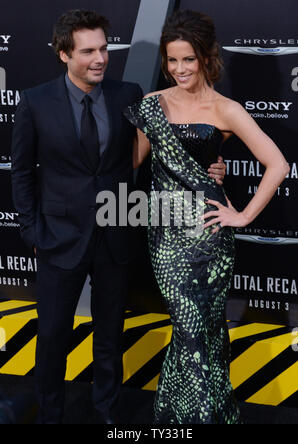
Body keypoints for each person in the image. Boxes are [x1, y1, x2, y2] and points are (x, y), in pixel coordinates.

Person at [10, 9, 226, 424]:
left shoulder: (128, 94)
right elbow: (21, 171)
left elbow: (184, 128)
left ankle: (107, 413)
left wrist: (211, 164)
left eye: (104, 49)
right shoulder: (35, 102)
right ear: (63, 54)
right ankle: (50, 414)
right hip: (57, 238)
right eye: (88, 51)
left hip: (116, 234)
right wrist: (31, 229)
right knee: (52, 337)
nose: (100, 58)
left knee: (109, 336)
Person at [124, 9, 290, 424]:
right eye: (171, 60)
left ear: (205, 58)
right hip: (164, 236)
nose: (178, 69)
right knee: (190, 331)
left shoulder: (226, 109)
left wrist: (243, 215)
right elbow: (131, 162)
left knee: (205, 333)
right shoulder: (150, 105)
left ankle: (195, 418)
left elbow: (278, 165)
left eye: (188, 59)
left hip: (210, 237)